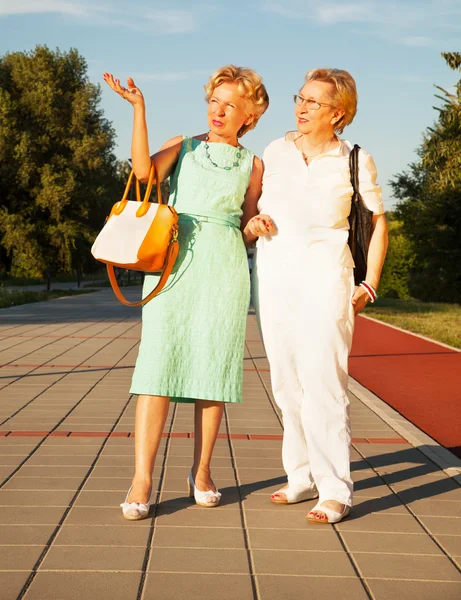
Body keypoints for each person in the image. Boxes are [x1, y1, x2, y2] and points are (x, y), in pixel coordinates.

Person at [103, 65, 269, 520]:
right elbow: (142, 174)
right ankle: (142, 478)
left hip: (225, 269)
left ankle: (202, 471)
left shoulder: (253, 165)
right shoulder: (184, 146)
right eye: (214, 101)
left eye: (231, 105)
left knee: (212, 371)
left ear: (249, 116)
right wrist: (139, 109)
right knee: (156, 368)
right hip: (173, 265)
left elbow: (247, 221)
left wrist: (255, 227)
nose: (219, 111)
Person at [245, 68, 388, 524]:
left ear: (338, 113)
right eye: (300, 98)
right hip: (275, 277)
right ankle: (301, 474)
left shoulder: (354, 159)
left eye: (313, 102)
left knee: (324, 381)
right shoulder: (275, 151)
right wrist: (255, 224)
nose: (301, 108)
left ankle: (335, 489)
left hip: (327, 278)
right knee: (287, 384)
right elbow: (256, 211)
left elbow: (378, 222)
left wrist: (370, 284)